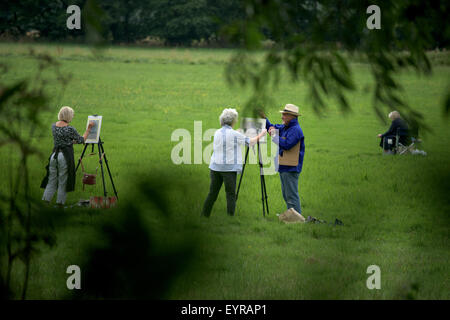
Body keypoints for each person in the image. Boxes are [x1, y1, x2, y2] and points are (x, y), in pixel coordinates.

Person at [201, 108, 267, 217]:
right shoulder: (234, 134)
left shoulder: (217, 132)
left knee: (212, 193)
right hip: (228, 169)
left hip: (215, 167)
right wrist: (262, 134)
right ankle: (230, 217)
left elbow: (229, 136)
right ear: (233, 121)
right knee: (230, 194)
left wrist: (238, 131)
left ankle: (204, 214)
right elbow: (250, 142)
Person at [41, 106, 94, 207]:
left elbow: (62, 140)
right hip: (64, 157)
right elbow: (82, 140)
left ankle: (45, 202)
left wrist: (70, 142)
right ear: (69, 116)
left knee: (52, 180)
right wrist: (89, 129)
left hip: (54, 156)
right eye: (72, 115)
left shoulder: (54, 126)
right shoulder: (69, 128)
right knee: (63, 181)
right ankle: (60, 204)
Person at [260, 104, 305, 215]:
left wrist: (274, 135)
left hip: (291, 167)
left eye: (284, 114)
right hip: (285, 166)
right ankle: (291, 216)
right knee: (286, 194)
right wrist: (264, 118)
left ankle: (297, 219)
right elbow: (271, 127)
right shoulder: (286, 127)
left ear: (291, 116)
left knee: (291, 195)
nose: (282, 117)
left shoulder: (295, 130)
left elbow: (286, 144)